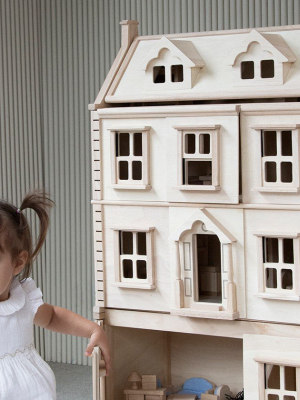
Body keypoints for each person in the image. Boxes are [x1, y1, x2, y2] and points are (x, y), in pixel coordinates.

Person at [0, 189, 111, 399]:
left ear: (17, 263)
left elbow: (52, 317)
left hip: (29, 389)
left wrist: (92, 329)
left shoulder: (22, 298)